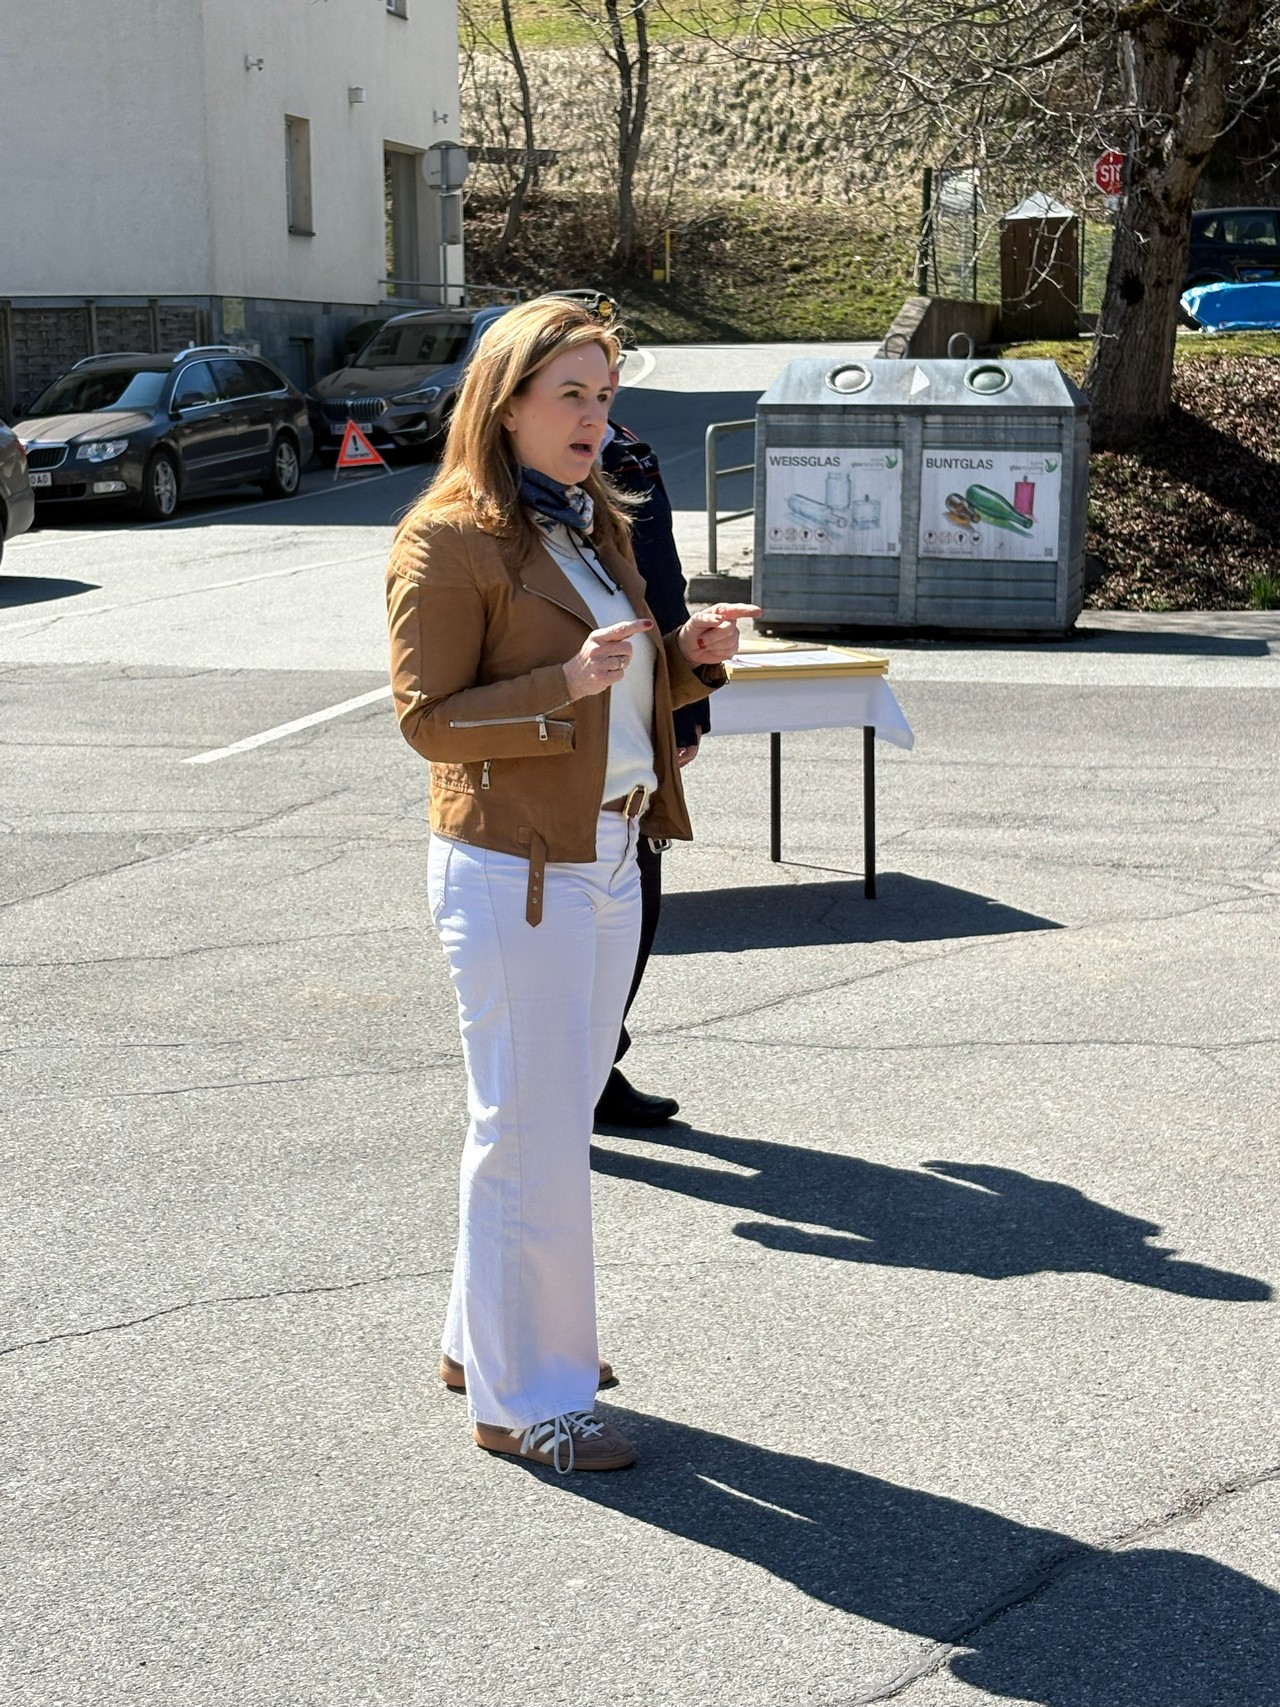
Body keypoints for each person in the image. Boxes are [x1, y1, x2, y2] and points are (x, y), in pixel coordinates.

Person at [385, 296, 758, 1473]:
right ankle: (525, 1402)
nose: (595, 418)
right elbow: (428, 722)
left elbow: (621, 687)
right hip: (517, 868)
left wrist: (684, 660)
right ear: (506, 405)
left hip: (609, 852)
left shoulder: (588, 520)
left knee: (541, 1118)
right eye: (570, 396)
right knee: (534, 1129)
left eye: (603, 395)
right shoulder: (446, 537)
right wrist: (564, 683)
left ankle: (482, 1342)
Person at [595, 415, 710, 1128]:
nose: (594, 403)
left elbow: (663, 580)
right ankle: (574, 1074)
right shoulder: (535, 472)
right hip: (585, 718)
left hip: (648, 700)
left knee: (640, 899)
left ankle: (596, 1062)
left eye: (604, 382)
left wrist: (686, 702)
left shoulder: (626, 445)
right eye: (576, 388)